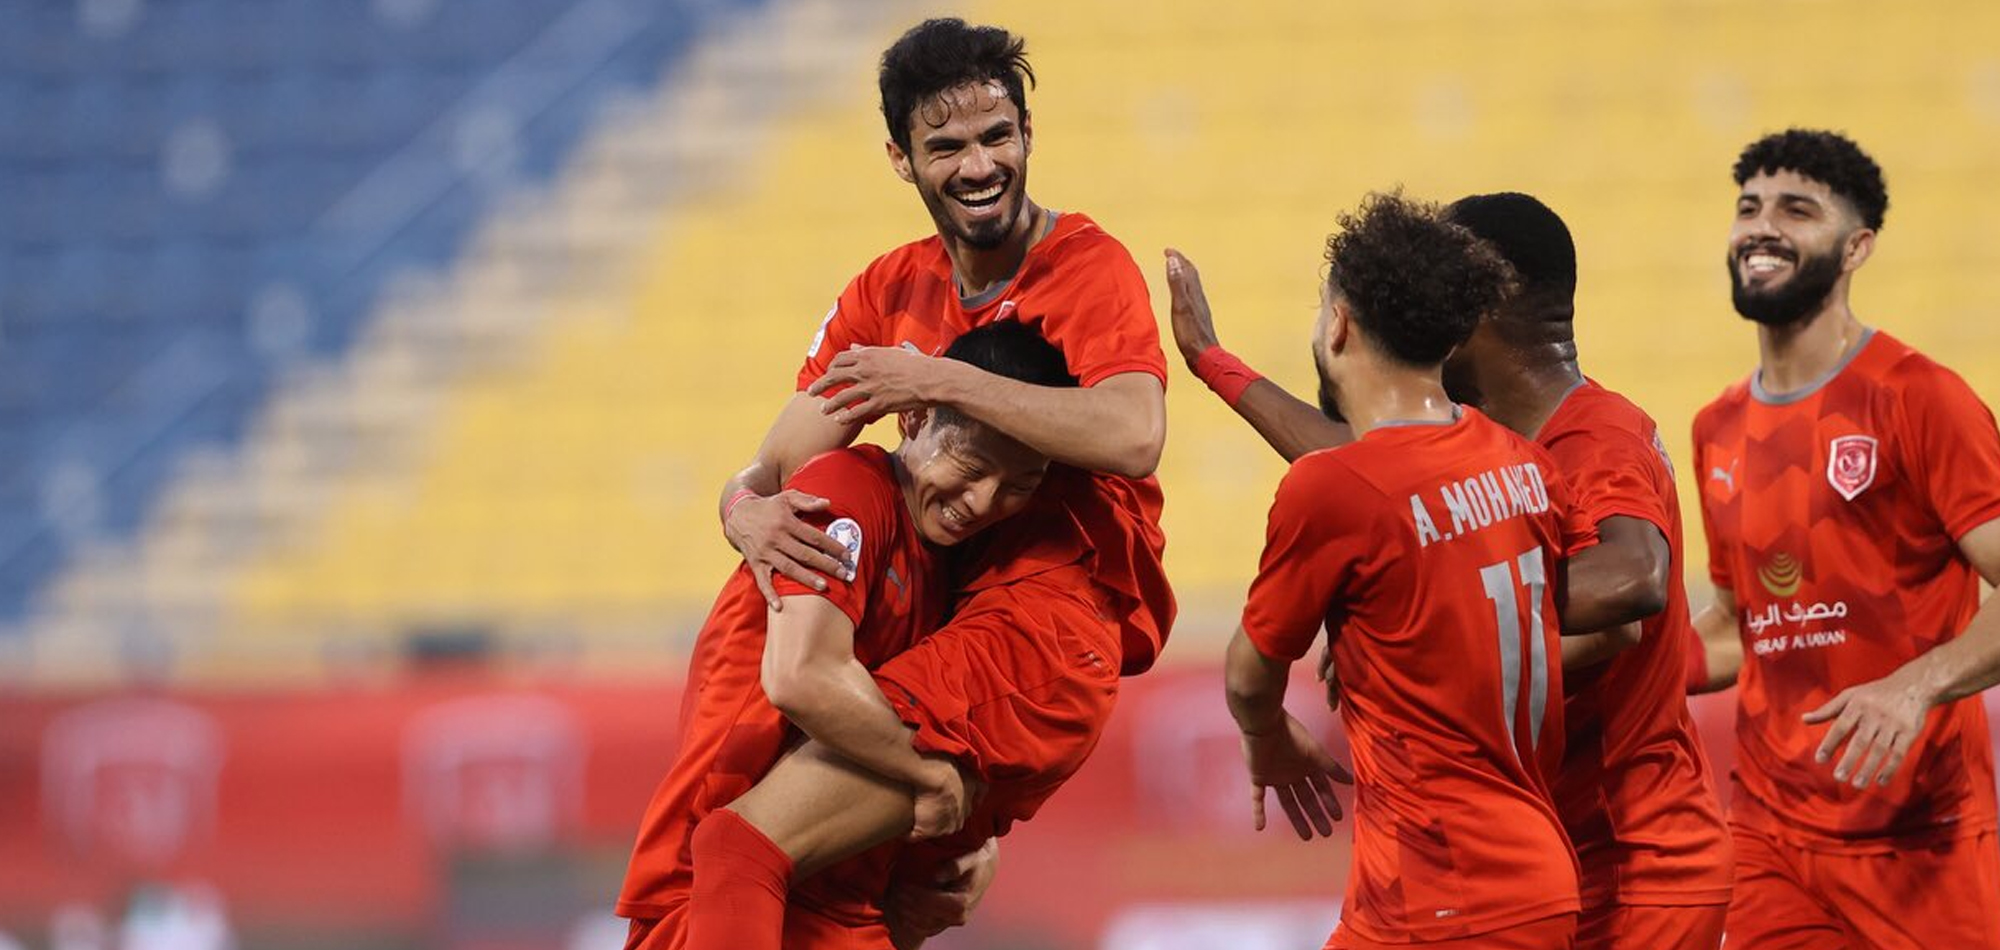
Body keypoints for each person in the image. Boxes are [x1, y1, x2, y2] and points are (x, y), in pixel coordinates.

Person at [632, 17, 1177, 950]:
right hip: (937, 621)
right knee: (857, 904)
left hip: (1048, 614)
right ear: (901, 156)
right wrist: (741, 510)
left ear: (1029, 133)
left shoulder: (1086, 268)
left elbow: (1133, 436)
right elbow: (775, 465)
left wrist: (937, 376)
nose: (979, 166)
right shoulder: (889, 288)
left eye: (998, 136)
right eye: (948, 145)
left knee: (737, 847)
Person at [1169, 191, 1736, 948]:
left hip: (1632, 864)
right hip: (1548, 855)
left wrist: (1430, 616)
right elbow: (1371, 477)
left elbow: (1634, 581)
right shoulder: (1497, 453)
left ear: (1486, 295)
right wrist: (1219, 366)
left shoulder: (1596, 439)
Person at [616, 321, 1071, 950]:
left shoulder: (949, 562)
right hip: (715, 890)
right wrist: (933, 777)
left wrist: (973, 839)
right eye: (971, 465)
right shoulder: (846, 493)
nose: (984, 500)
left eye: (1018, 486)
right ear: (913, 422)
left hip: (831, 897)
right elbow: (802, 676)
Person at [1221, 191, 1590, 950]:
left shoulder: (1331, 488)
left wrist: (1266, 735)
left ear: (1340, 323)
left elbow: (1250, 673)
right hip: (1531, 877)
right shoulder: (1523, 464)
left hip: (1442, 895)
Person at [1685, 128, 2000, 949]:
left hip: (1923, 839)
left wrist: (1916, 686)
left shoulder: (1919, 397)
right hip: (1770, 840)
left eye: (1797, 210)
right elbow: (1738, 623)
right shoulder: (1716, 426)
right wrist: (1625, 668)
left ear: (1857, 247)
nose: (1762, 227)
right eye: (1749, 208)